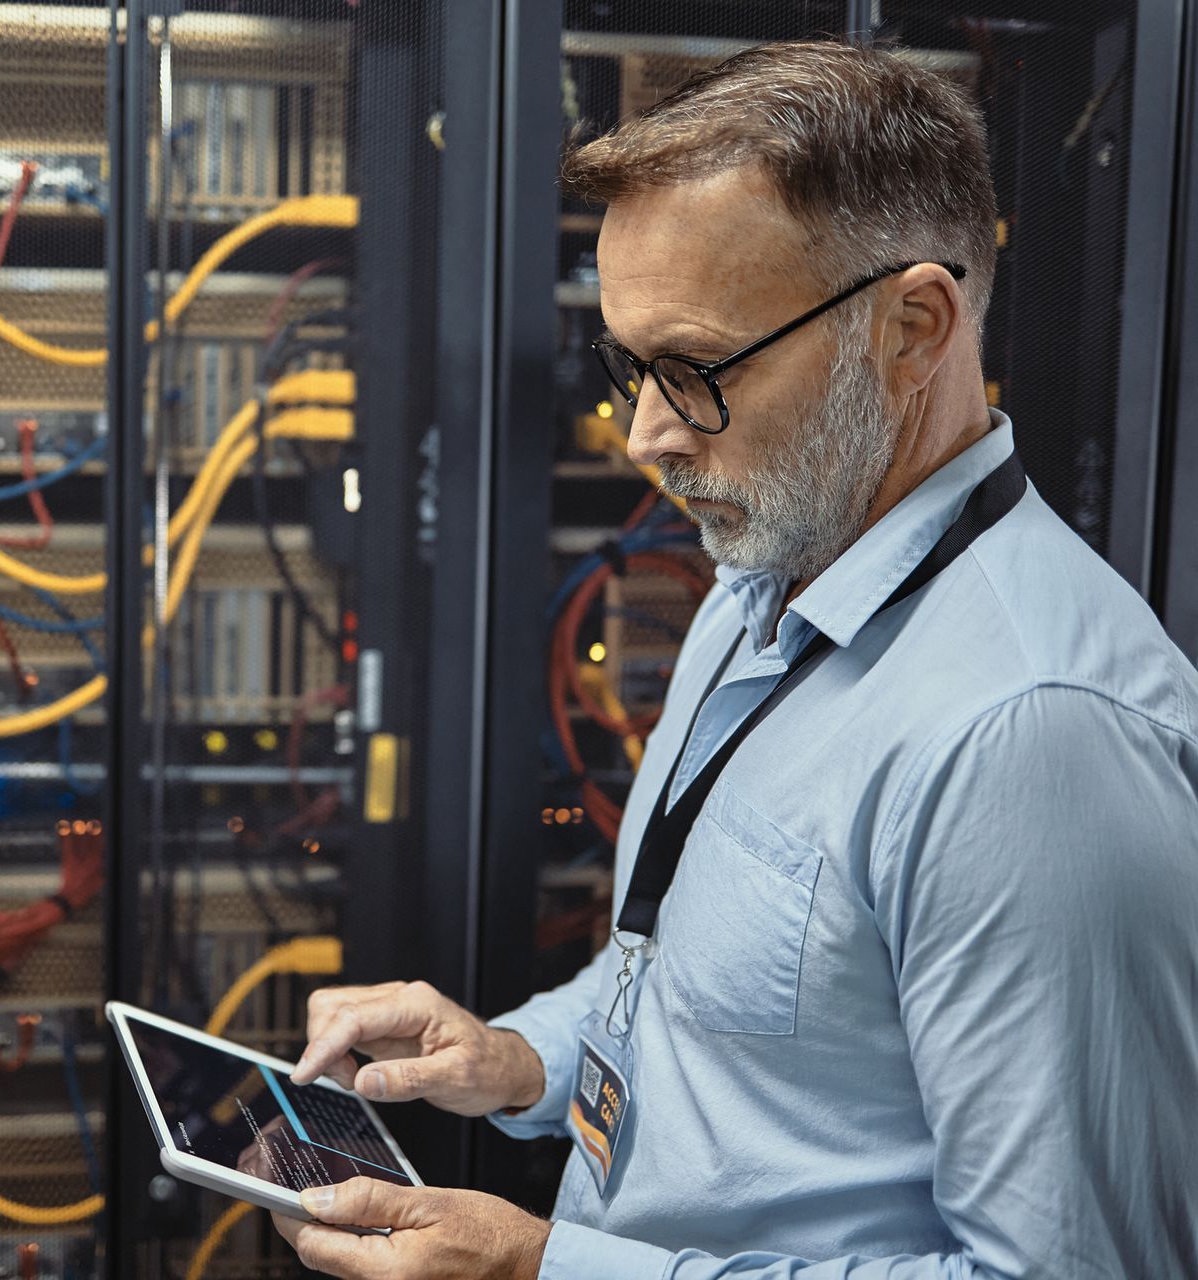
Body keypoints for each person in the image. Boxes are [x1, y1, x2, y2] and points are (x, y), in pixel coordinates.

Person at [272, 39, 1198, 1280]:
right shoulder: (766, 576)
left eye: (693, 368)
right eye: (624, 363)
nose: (646, 433)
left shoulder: (1031, 737)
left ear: (911, 326)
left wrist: (541, 1265)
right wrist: (520, 1056)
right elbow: (707, 984)